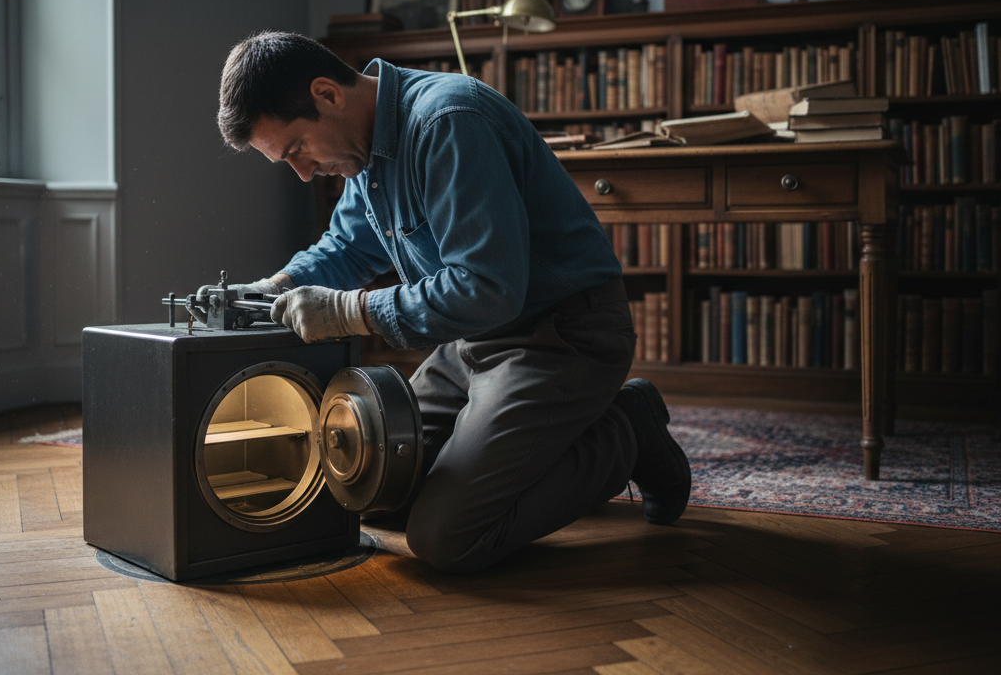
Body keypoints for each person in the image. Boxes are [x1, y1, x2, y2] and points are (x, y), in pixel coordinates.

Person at [217, 30, 690, 573]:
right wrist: (274, 285)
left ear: (327, 94)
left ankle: (629, 427)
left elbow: (487, 288)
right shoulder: (363, 147)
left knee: (448, 537)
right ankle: (549, 436)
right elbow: (347, 246)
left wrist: (349, 312)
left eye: (298, 149)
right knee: (374, 491)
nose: (302, 172)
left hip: (564, 334)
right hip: (474, 338)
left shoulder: (447, 122)